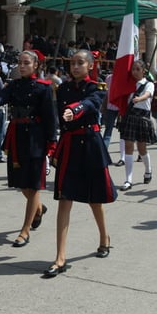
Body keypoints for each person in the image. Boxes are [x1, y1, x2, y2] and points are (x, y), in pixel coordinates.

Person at [0, 49, 57, 247]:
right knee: (20, 183)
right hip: (17, 137)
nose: (22, 66)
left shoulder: (44, 88)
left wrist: (51, 143)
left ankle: (25, 231)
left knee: (33, 185)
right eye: (20, 62)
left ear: (36, 65)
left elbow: (50, 118)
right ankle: (38, 208)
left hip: (35, 138)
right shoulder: (15, 85)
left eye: (26, 62)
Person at [44, 50, 116, 278]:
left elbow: (90, 104)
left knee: (95, 200)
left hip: (91, 147)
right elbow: (57, 119)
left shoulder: (96, 87)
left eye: (80, 63)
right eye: (72, 63)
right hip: (70, 147)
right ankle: (60, 257)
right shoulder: (62, 88)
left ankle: (104, 237)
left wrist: (74, 111)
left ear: (90, 65)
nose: (75, 66)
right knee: (65, 199)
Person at [118, 59, 157, 191]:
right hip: (130, 117)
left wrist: (139, 98)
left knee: (142, 149)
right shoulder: (128, 84)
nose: (134, 72)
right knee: (128, 146)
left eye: (137, 69)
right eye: (133, 69)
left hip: (142, 117)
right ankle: (128, 179)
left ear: (143, 71)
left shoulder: (149, 84)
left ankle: (148, 170)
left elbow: (147, 95)